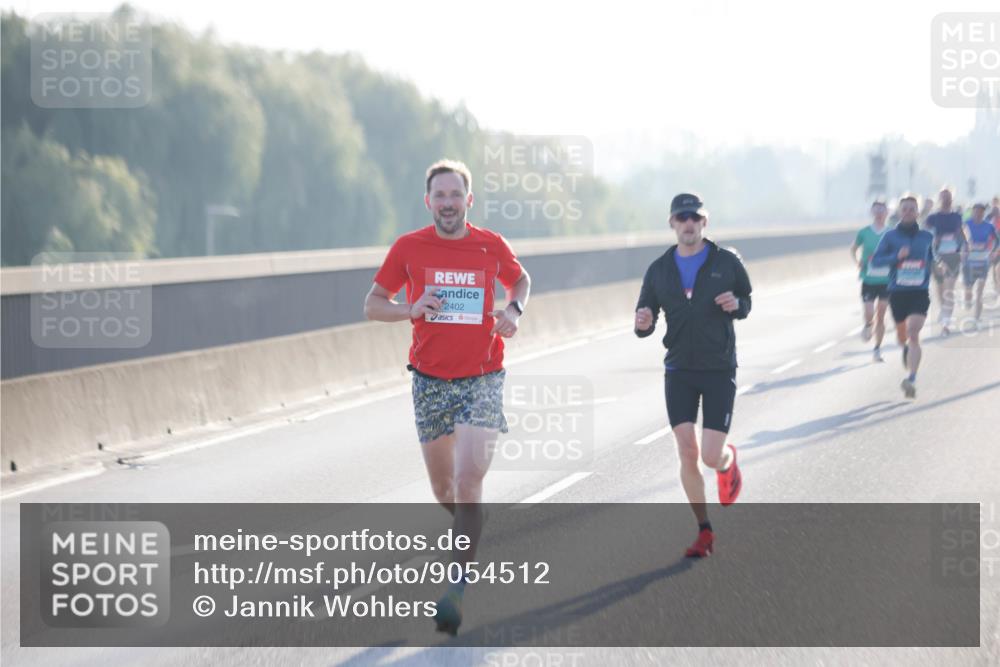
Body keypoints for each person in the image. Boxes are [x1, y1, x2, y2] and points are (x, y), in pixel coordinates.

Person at [364, 159, 531, 635]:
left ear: (468, 201)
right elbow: (372, 305)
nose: (449, 204)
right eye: (440, 196)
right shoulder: (409, 247)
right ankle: (470, 528)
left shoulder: (490, 245)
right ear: (428, 202)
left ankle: (455, 587)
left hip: (482, 378)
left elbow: (521, 280)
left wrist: (514, 310)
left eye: (456, 195)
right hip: (430, 380)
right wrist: (409, 309)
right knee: (445, 491)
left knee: (469, 480)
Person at [634, 193, 751, 558]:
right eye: (682, 218)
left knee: (710, 456)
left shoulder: (726, 261)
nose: (688, 224)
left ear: (704, 222)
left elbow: (746, 300)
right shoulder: (659, 270)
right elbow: (644, 315)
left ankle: (727, 464)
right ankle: (704, 531)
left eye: (695, 218)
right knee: (687, 450)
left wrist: (737, 305)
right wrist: (643, 323)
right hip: (679, 369)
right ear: (672, 223)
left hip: (718, 368)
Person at [871, 194, 935, 399]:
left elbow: (932, 258)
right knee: (902, 337)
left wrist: (939, 267)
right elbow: (876, 262)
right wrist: (895, 257)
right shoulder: (890, 237)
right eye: (904, 208)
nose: (908, 212)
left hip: (919, 292)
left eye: (912, 209)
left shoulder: (927, 236)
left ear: (917, 212)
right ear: (899, 212)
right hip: (898, 293)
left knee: (914, 333)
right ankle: (906, 347)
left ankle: (912, 379)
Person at [850, 199, 892, 361]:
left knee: (881, 314)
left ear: (887, 212)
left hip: (886, 280)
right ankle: (868, 325)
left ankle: (877, 349)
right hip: (868, 278)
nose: (880, 213)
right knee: (869, 313)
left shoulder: (892, 233)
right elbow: (854, 249)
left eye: (882, 210)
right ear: (872, 212)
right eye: (877, 210)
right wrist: (857, 261)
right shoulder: (864, 232)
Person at [924, 187, 967, 335]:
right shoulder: (932, 218)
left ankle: (946, 322)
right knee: (940, 287)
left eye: (948, 197)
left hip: (953, 256)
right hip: (937, 256)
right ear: (939, 199)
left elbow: (961, 233)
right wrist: (934, 239)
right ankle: (944, 311)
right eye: (943, 197)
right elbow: (924, 234)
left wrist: (965, 248)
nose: (945, 199)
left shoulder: (957, 216)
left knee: (949, 289)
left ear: (952, 198)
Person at [963, 203, 1000, 324]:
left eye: (981, 211)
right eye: (977, 211)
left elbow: (997, 240)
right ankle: (968, 299)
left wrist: (994, 251)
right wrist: (965, 247)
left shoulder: (989, 226)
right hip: (968, 262)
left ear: (984, 213)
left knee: (980, 290)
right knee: (968, 290)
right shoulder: (966, 224)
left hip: (983, 261)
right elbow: (959, 238)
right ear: (972, 212)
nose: (979, 213)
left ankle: (977, 317)